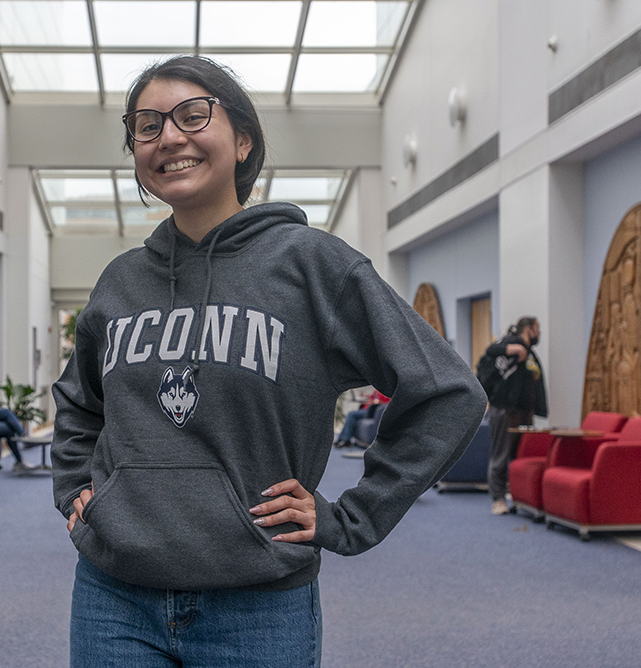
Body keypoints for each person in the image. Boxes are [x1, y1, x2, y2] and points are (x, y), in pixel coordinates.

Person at [51, 55, 487, 667]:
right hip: (114, 596)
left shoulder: (313, 266)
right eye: (147, 125)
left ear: (244, 138)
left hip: (257, 607)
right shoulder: (120, 281)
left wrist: (353, 517)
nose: (169, 137)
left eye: (192, 115)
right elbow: (78, 400)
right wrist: (76, 485)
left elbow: (447, 391)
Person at [483, 317, 548, 515]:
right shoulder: (509, 344)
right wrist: (509, 350)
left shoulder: (531, 354)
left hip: (524, 411)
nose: (539, 333)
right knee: (501, 454)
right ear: (529, 329)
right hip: (504, 409)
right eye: (537, 329)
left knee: (519, 455)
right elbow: (490, 351)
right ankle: (498, 499)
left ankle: (516, 495)